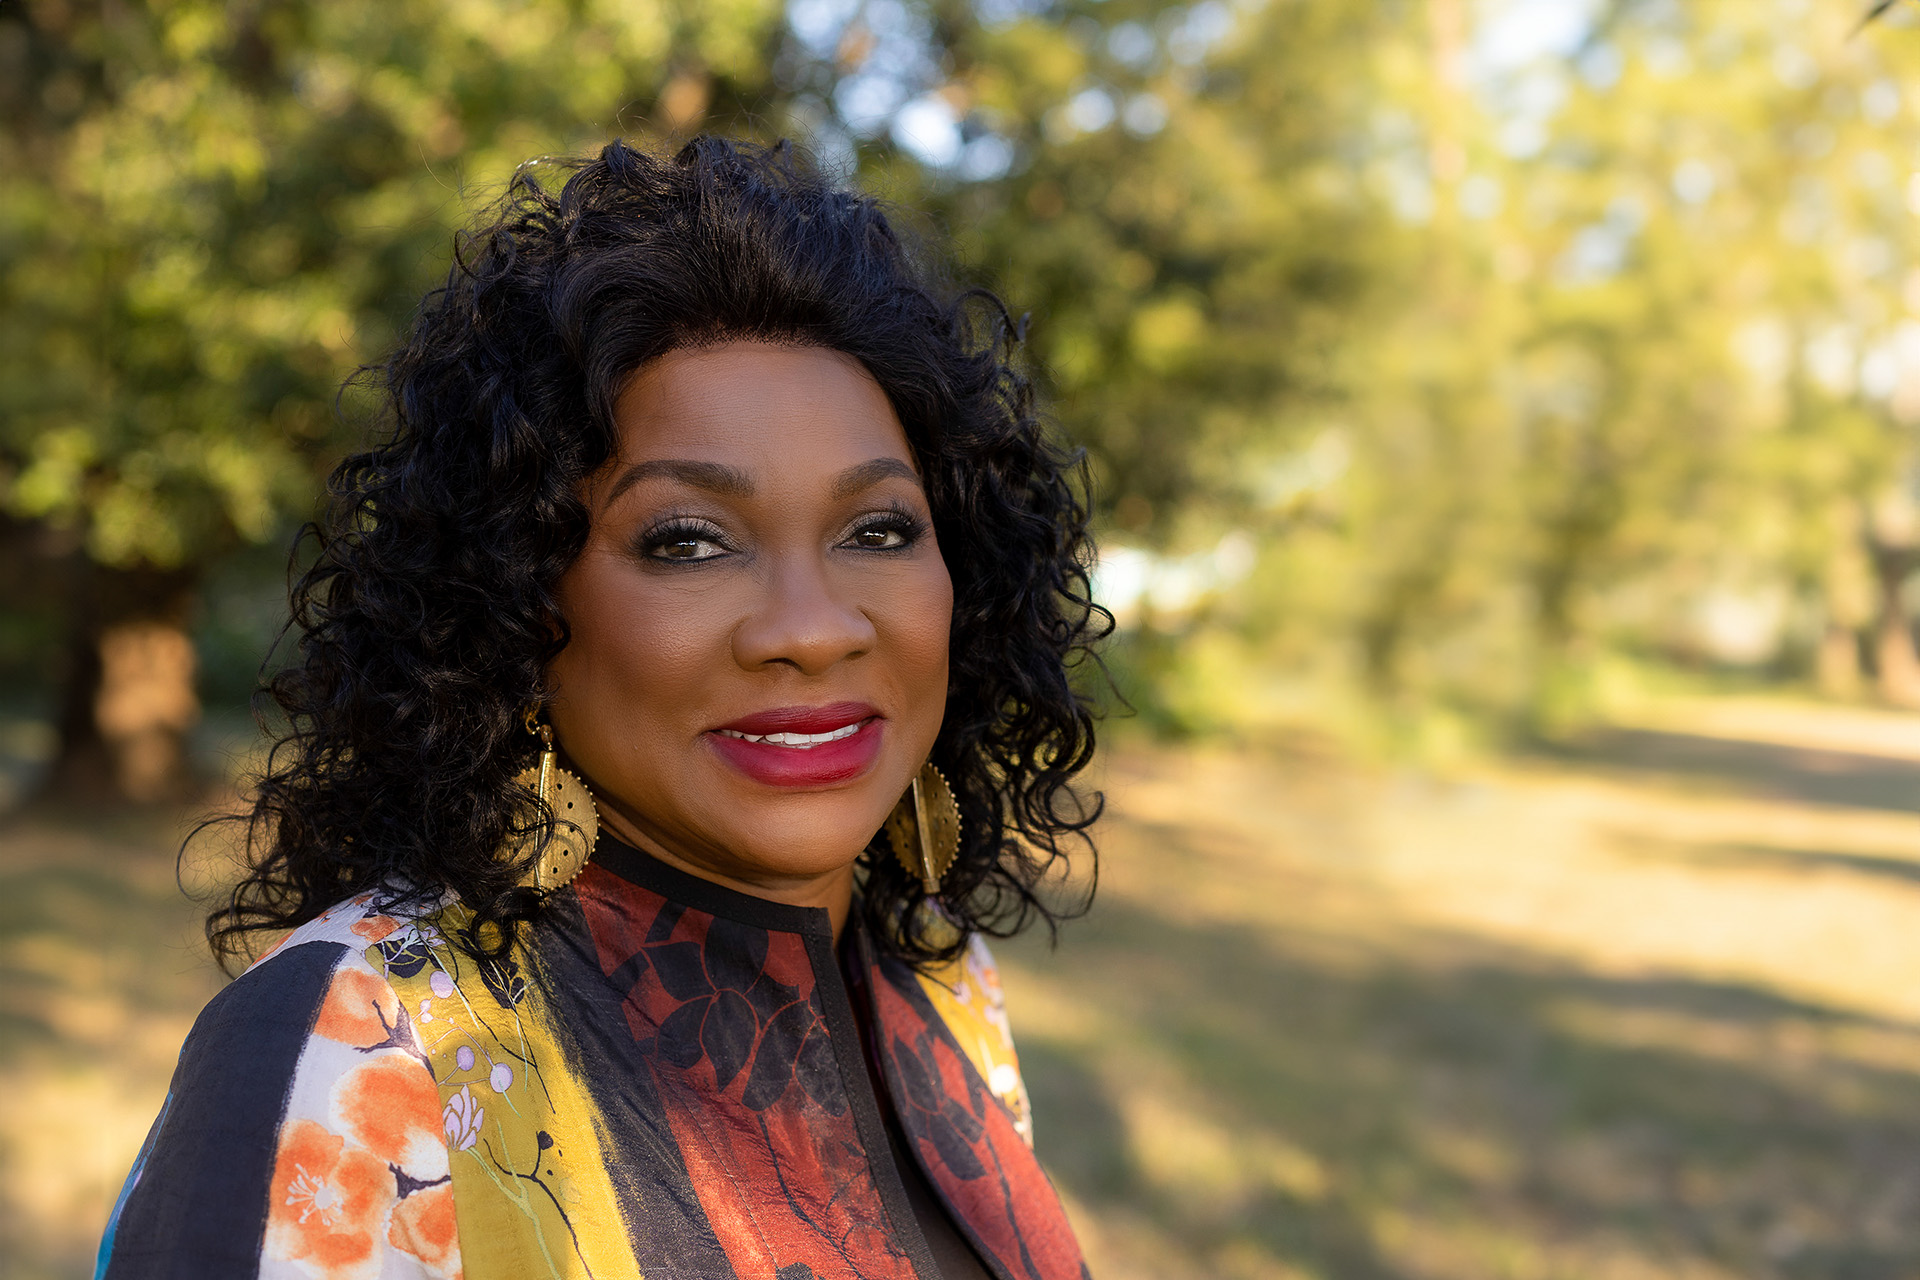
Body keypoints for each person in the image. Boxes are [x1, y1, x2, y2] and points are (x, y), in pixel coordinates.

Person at [94, 137, 1106, 1280]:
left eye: (877, 529)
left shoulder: (939, 978)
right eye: (687, 540)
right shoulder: (360, 1045)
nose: (815, 626)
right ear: (522, 605)